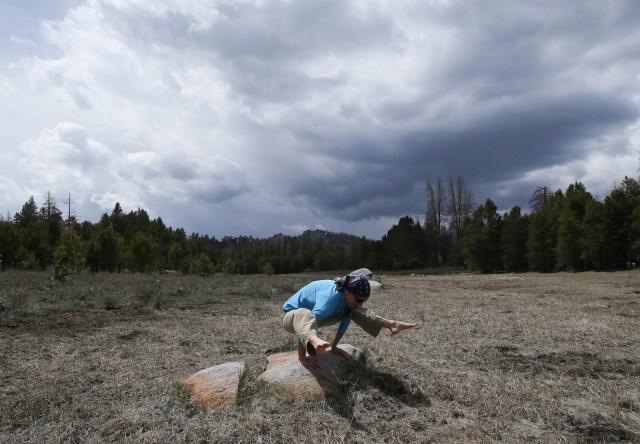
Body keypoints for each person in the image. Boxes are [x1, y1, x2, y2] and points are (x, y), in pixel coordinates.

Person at [282, 271, 416, 370]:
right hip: (292, 317)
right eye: (358, 299)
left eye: (363, 301)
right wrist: (303, 358)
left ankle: (390, 324)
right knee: (305, 314)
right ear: (346, 290)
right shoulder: (329, 300)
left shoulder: (347, 300)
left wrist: (334, 346)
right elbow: (304, 324)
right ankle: (314, 340)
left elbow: (345, 321)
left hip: (310, 320)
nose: (360, 303)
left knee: (354, 310)